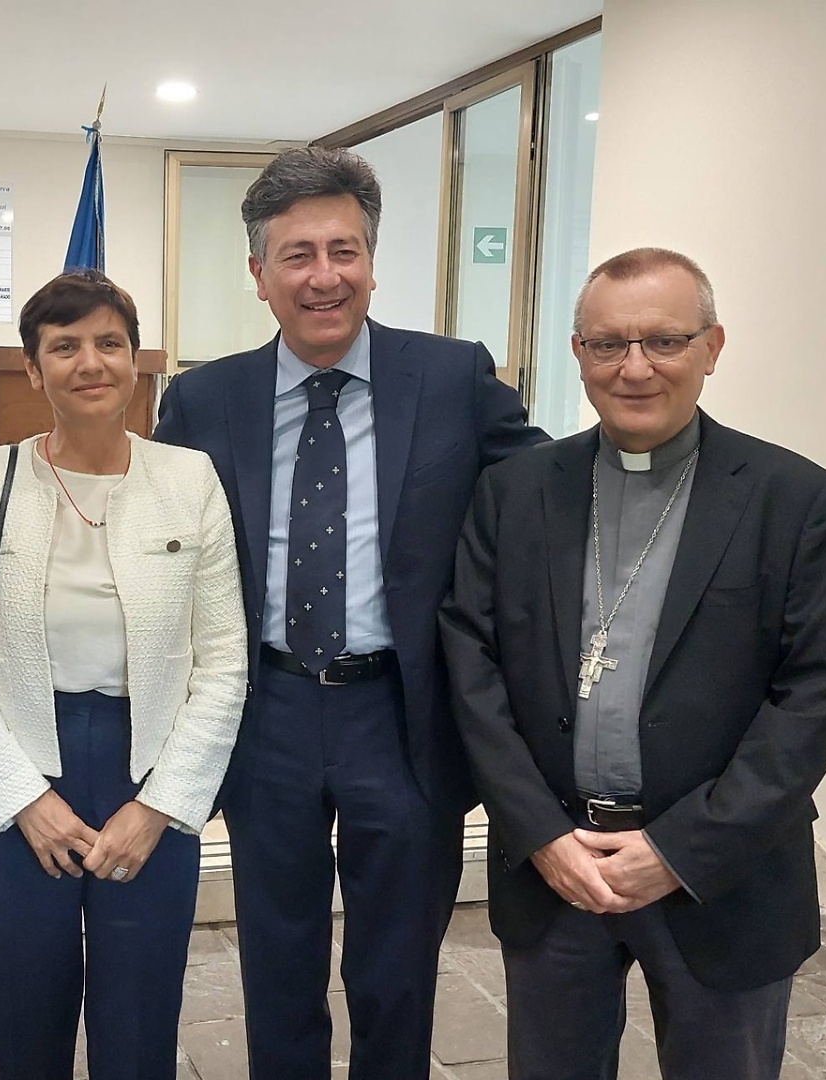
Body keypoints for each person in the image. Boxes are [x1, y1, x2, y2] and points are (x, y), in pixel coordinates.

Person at [151, 146, 546, 1079]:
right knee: (276, 957)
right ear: (259, 274)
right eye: (297, 255)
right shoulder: (204, 400)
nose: (323, 276)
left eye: (344, 251)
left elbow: (546, 498)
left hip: (403, 716)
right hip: (267, 712)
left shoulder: (452, 377)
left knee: (398, 964)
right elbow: (146, 528)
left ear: (372, 261)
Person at [438, 247, 826, 1080]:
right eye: (608, 344)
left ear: (712, 347)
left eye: (665, 341)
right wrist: (540, 833)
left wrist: (678, 850)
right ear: (579, 353)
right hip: (557, 871)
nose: (635, 368)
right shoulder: (515, 492)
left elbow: (812, 695)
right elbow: (471, 665)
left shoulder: (794, 499)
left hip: (723, 878)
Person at [0, 270, 246, 1079]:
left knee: (139, 1013)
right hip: (23, 760)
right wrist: (21, 799)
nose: (91, 362)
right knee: (21, 1004)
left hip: (151, 763)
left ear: (136, 361)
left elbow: (223, 661)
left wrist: (162, 805)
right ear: (34, 372)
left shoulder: (190, 479)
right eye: (64, 347)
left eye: (110, 342)